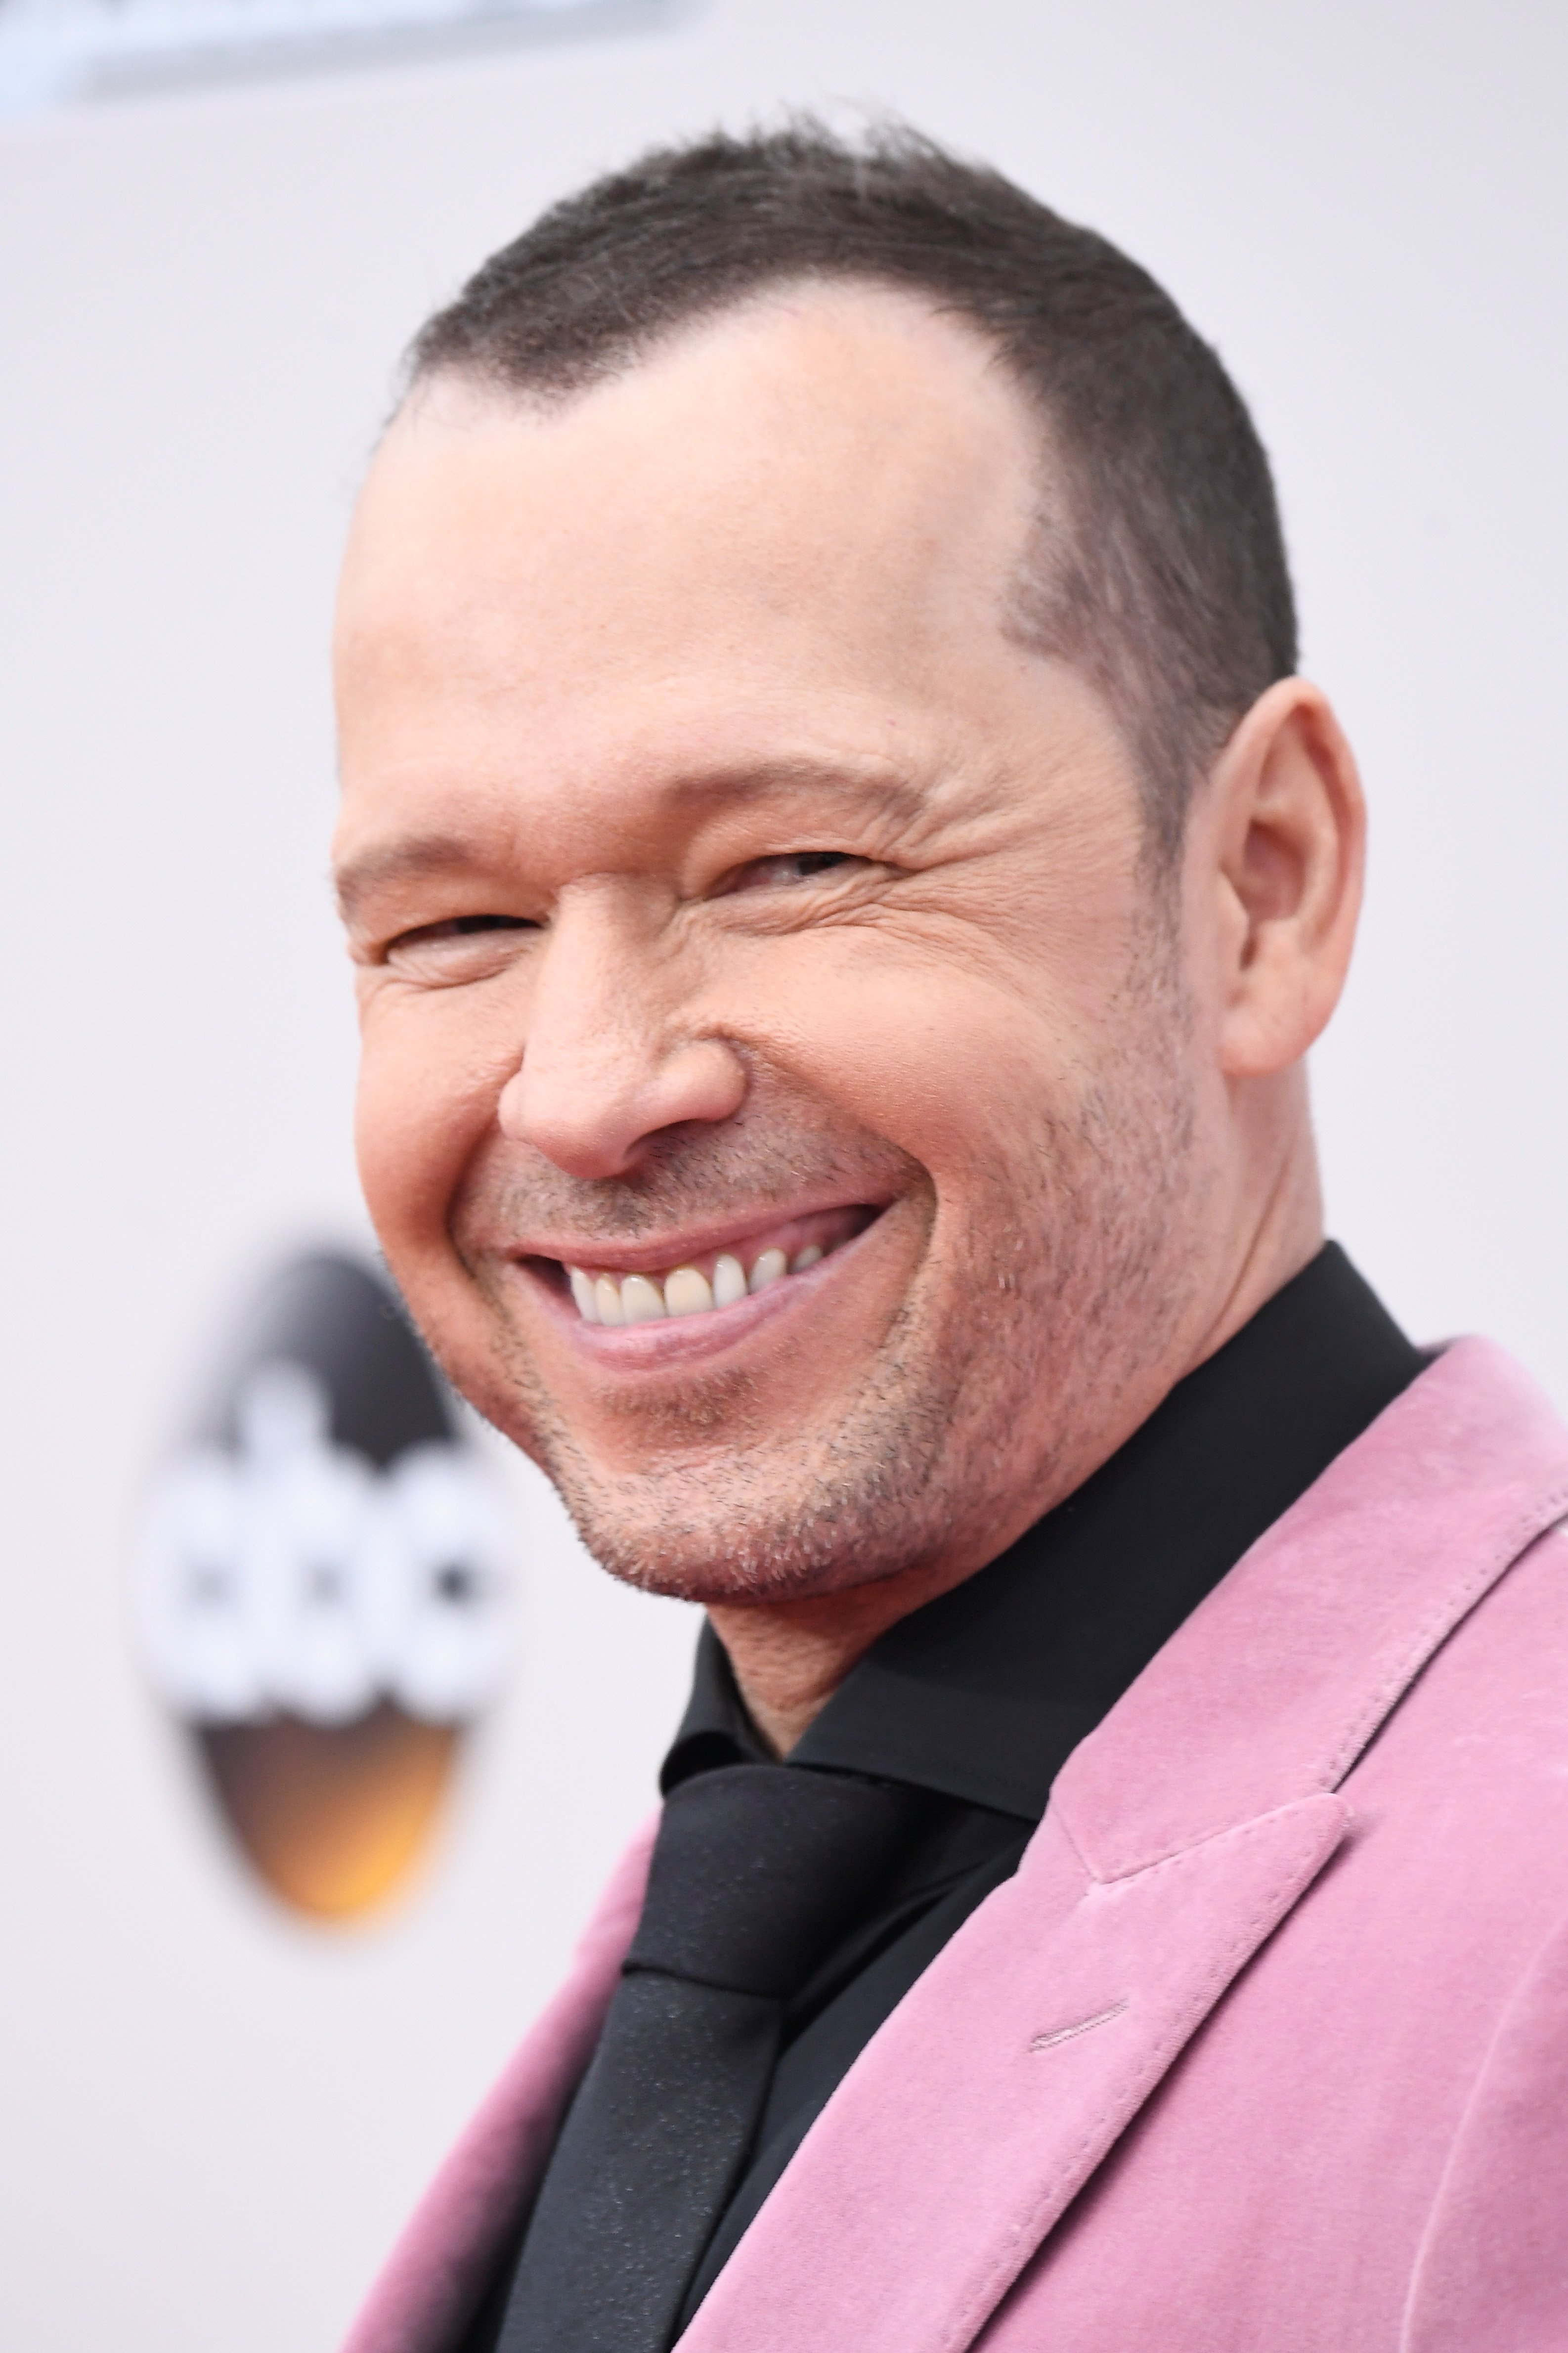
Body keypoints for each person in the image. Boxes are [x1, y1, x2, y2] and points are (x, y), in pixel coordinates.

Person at [330, 124, 1568, 2353]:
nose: (590, 1083)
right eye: (459, 922)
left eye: (792, 862)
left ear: (1259, 881)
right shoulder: (728, 1910)